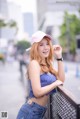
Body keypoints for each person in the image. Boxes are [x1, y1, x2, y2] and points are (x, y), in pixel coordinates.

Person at [16, 31, 65, 119]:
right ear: (35, 48)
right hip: (31, 111)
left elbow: (61, 80)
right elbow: (37, 92)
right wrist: (54, 84)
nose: (46, 48)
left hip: (39, 111)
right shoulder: (34, 64)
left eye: (47, 44)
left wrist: (59, 57)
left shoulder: (47, 64)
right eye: (41, 45)